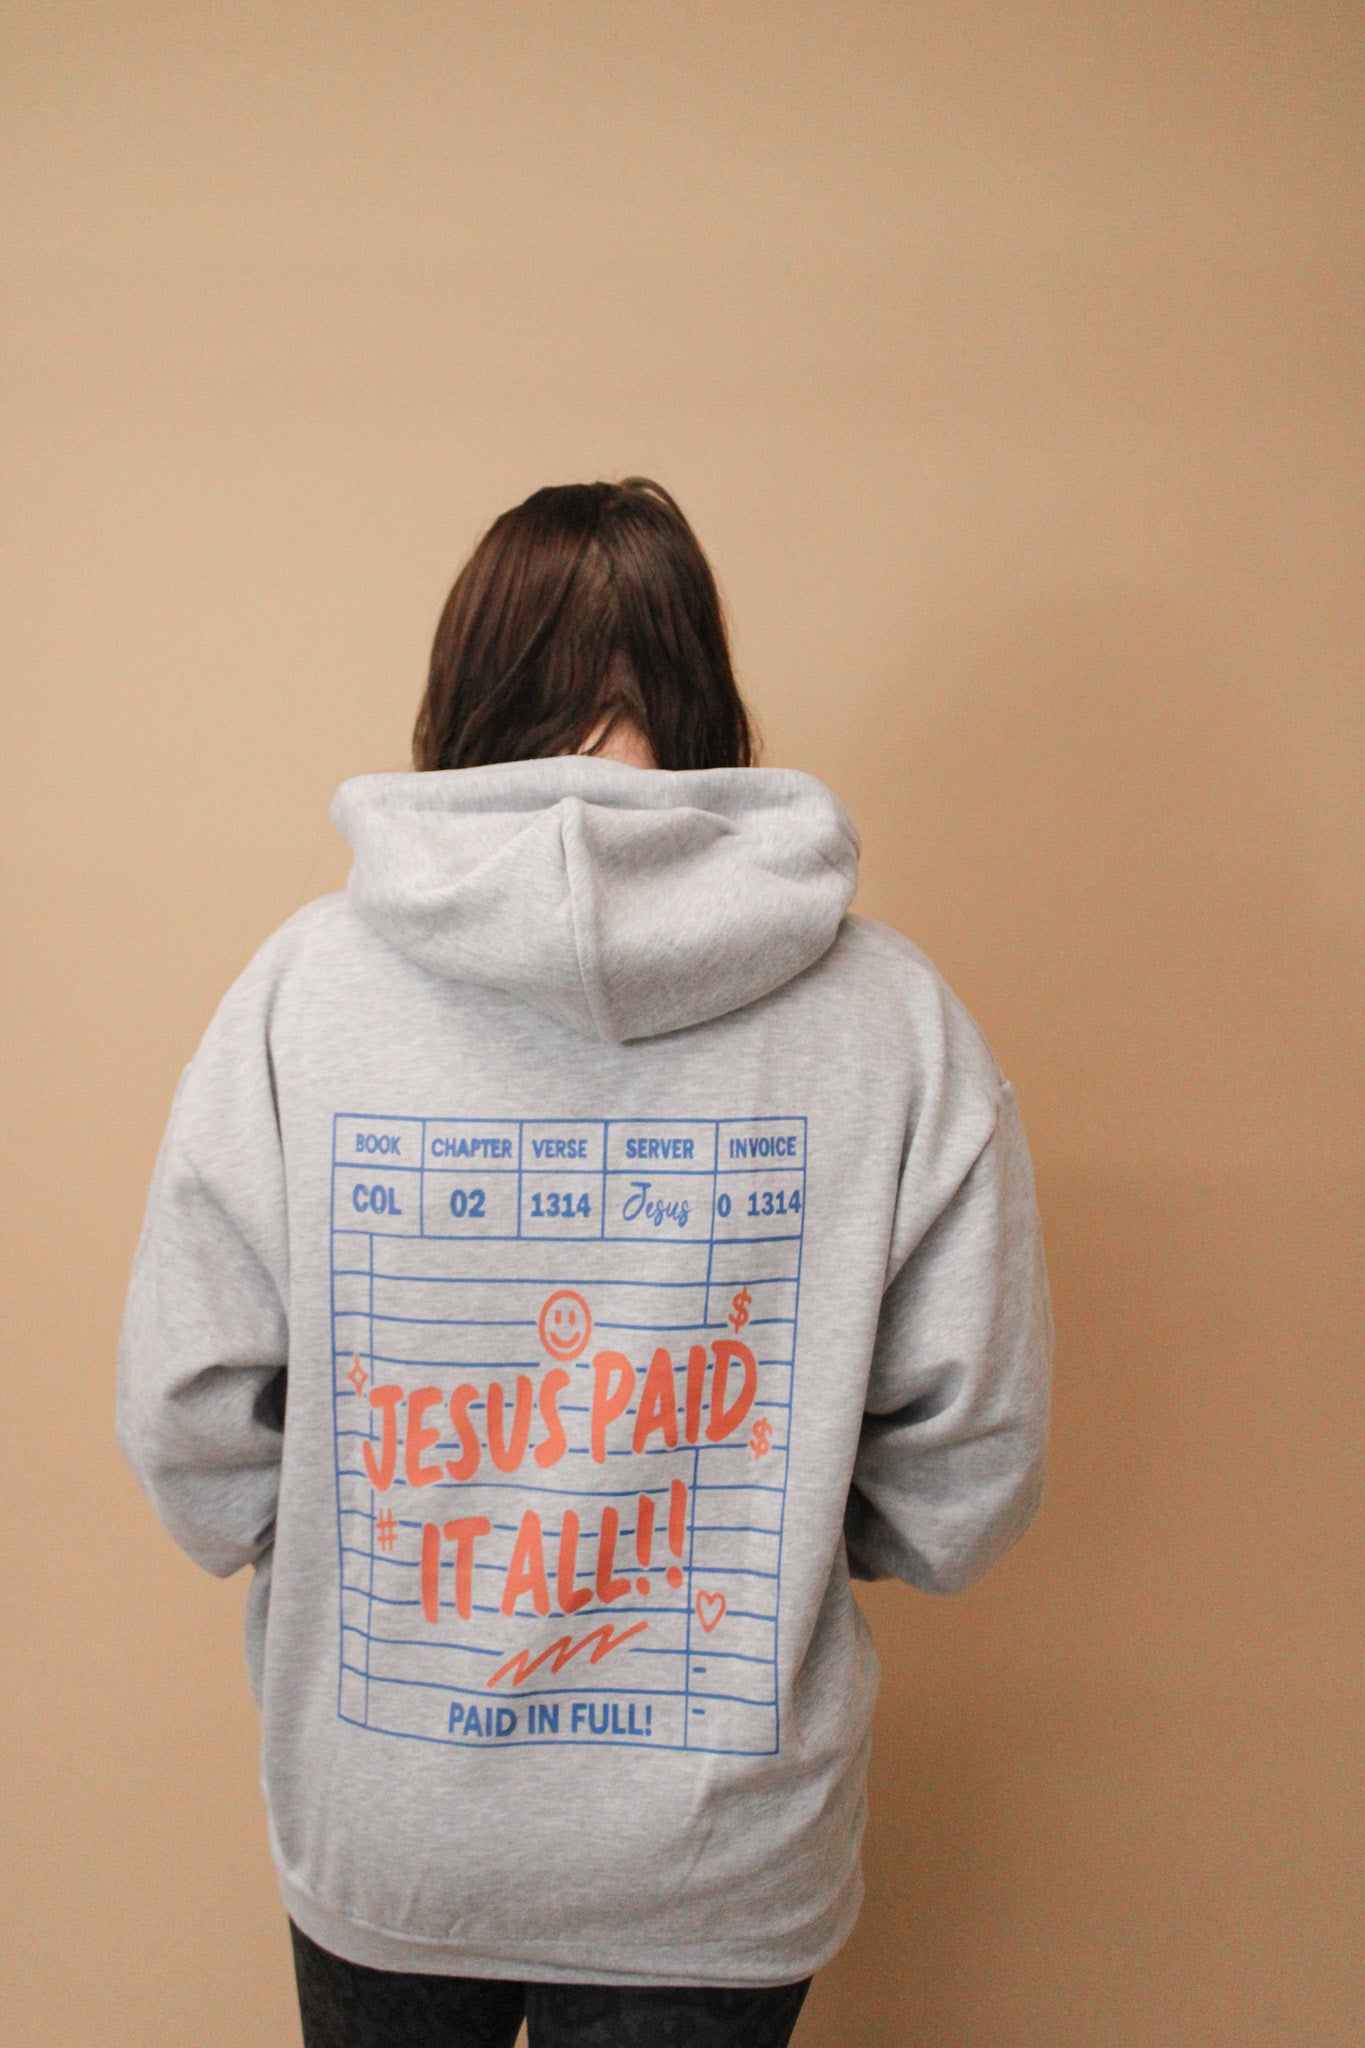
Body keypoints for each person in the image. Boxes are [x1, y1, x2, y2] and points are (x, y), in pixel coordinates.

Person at [117, 477, 1052, 2048]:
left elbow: (190, 1427)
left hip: (390, 1822)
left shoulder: (298, 994)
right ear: (700, 686)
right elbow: (967, 1479)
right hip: (721, 1851)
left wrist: (353, 1548)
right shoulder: (892, 1021)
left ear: (465, 683)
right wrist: (772, 1524)